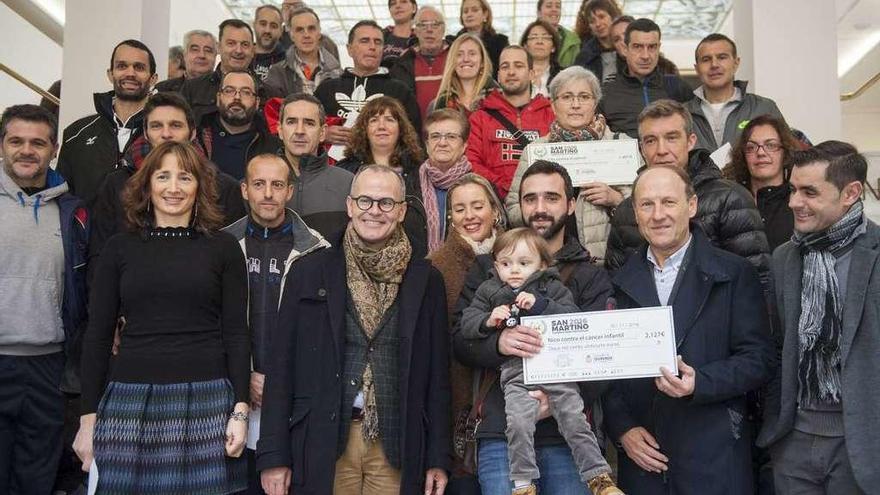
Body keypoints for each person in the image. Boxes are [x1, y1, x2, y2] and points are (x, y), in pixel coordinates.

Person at [257, 165, 451, 495]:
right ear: (349, 206)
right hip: (323, 441)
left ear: (402, 211)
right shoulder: (309, 272)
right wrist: (273, 455)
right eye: (364, 201)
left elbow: (438, 376)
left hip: (396, 445)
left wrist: (438, 457)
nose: (374, 211)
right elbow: (281, 368)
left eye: (386, 203)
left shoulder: (426, 281)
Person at [73, 141, 250, 493]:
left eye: (184, 177)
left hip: (207, 402)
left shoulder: (225, 248)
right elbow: (97, 336)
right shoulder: (118, 249)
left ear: (199, 186)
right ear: (147, 184)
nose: (173, 188)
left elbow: (236, 333)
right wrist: (87, 419)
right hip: (129, 402)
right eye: (163, 176)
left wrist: (240, 410)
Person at [605, 164, 775, 494]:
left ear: (691, 206)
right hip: (644, 460)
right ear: (635, 213)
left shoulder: (734, 273)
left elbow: (760, 360)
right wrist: (622, 429)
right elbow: (606, 369)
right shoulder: (617, 281)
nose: (658, 215)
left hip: (714, 454)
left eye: (668, 202)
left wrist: (702, 382)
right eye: (646, 204)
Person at [454, 160, 613, 495]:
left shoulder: (589, 274)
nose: (539, 209)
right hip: (500, 431)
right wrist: (499, 343)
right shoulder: (488, 269)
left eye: (551, 198)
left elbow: (605, 354)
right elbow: (458, 341)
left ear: (571, 204)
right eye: (530, 199)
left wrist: (556, 402)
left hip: (568, 435)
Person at [758, 145, 878, 494]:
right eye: (793, 189)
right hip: (793, 440)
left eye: (810, 192)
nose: (795, 202)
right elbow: (778, 346)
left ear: (851, 193)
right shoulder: (785, 257)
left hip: (864, 446)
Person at [222, 152, 329, 495]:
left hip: (295, 402)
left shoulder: (317, 250)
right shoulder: (221, 246)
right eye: (259, 184)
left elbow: (321, 334)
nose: (268, 193)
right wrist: (244, 376)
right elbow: (212, 324)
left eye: (277, 185)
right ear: (243, 190)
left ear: (289, 191)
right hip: (234, 398)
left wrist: (281, 383)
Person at [0, 105, 89, 495]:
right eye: (16, 141)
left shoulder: (72, 211)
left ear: (53, 149)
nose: (26, 150)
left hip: (49, 367)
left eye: (38, 143)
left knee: (36, 475)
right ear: (2, 145)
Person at [605, 100, 771, 293]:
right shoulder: (627, 211)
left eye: (672, 138)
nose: (661, 150)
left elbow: (758, 282)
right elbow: (615, 288)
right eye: (651, 141)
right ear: (641, 148)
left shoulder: (730, 199)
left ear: (691, 141)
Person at [89, 92, 247, 270]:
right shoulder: (117, 184)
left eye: (175, 125)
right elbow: (99, 256)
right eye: (156, 126)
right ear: (146, 133)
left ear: (192, 132)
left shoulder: (224, 188)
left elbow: (235, 261)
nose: (166, 134)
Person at [429, 173, 505, 495]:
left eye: (477, 206)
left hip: (510, 408)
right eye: (460, 209)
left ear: (495, 210)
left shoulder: (519, 254)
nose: (470, 216)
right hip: (460, 404)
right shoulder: (436, 266)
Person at [506, 65, 628, 261]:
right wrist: (541, 209)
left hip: (606, 263)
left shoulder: (619, 144)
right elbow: (512, 208)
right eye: (567, 97)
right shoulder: (535, 151)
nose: (576, 104)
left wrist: (615, 200)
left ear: (595, 103)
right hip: (547, 262)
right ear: (553, 105)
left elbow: (642, 207)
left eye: (584, 97)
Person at [57, 39, 157, 205]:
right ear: (110, 74)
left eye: (139, 67)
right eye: (122, 66)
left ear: (153, 78)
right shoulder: (76, 134)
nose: (130, 73)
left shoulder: (165, 133)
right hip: (88, 230)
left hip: (145, 230)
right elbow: (62, 197)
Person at [336, 96, 429, 258]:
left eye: (389, 119)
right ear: (364, 129)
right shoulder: (345, 170)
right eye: (374, 120)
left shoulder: (420, 171)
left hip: (410, 255)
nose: (381, 126)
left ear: (401, 128)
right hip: (353, 256)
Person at [314, 20, 421, 152]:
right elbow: (306, 129)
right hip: (333, 168)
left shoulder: (400, 91)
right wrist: (322, 134)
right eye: (365, 41)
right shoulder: (326, 89)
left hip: (384, 169)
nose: (372, 47)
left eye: (378, 42)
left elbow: (414, 138)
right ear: (349, 49)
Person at [466, 45, 554, 199]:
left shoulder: (551, 114)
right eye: (505, 67)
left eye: (518, 66)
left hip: (542, 199)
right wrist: (504, 188)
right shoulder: (480, 117)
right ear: (499, 76)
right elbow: (472, 162)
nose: (511, 72)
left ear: (532, 74)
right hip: (495, 200)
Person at [685, 33, 785, 152]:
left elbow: (787, 152)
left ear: (736, 63)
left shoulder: (764, 108)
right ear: (697, 69)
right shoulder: (682, 114)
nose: (714, 65)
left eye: (722, 57)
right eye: (706, 60)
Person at [598, 18, 691, 138]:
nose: (645, 56)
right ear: (626, 49)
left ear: (659, 48)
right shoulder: (607, 92)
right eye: (638, 47)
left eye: (652, 47)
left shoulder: (677, 87)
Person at [276, 93, 353, 238]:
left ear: (322, 132)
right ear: (280, 130)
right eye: (291, 122)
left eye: (309, 123)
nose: (299, 131)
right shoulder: (258, 183)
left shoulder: (348, 183)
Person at [723, 115, 801, 251]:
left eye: (770, 145)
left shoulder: (798, 202)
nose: (760, 153)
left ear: (786, 152)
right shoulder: (730, 200)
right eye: (751, 147)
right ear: (742, 155)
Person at [195, 70, 281, 180]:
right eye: (229, 91)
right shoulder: (197, 139)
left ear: (257, 103)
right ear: (218, 98)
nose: (237, 97)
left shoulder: (273, 147)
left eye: (246, 92)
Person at [418, 109, 474, 253]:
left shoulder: (479, 186)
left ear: (464, 145)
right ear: (427, 144)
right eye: (435, 136)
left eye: (451, 137)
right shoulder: (408, 185)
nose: (442, 143)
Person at [181, 19, 255, 122]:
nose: (238, 50)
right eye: (231, 43)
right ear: (219, 47)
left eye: (245, 44)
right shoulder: (192, 89)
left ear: (253, 50)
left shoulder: (266, 92)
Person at [262, 7, 343, 99]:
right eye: (300, 30)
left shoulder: (338, 73)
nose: (306, 35)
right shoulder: (277, 73)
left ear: (319, 32)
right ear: (291, 35)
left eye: (311, 28)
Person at [390, 6, 450, 121]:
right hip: (415, 134)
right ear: (416, 31)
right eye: (423, 25)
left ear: (443, 29)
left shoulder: (458, 57)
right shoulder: (402, 64)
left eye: (435, 24)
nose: (429, 30)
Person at [429, 33, 497, 115]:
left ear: (482, 61)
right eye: (459, 54)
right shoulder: (439, 104)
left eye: (472, 54)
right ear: (452, 62)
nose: (466, 59)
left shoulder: (499, 97)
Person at [447, 0, 508, 77]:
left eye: (474, 10)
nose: (469, 14)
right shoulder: (452, 42)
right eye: (465, 11)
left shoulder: (500, 42)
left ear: (485, 14)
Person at [573, 0, 623, 83]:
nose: (598, 24)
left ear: (613, 17)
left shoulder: (628, 47)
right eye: (592, 21)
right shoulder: (585, 57)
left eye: (601, 17)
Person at [520, 19, 561, 98]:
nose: (539, 41)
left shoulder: (563, 75)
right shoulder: (517, 75)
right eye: (534, 37)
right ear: (525, 46)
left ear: (553, 47)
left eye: (545, 37)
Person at [536, 0, 580, 68]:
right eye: (549, 6)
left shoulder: (573, 40)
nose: (554, 9)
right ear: (539, 13)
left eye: (558, 6)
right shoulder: (528, 37)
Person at [251, 5, 286, 81]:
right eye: (263, 24)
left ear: (281, 30)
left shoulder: (288, 63)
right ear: (254, 25)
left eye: (273, 26)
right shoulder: (241, 56)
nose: (267, 30)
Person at [382, 0, 418, 68]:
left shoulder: (420, 40)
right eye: (393, 4)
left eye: (403, 1)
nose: (398, 6)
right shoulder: (380, 35)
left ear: (414, 8)